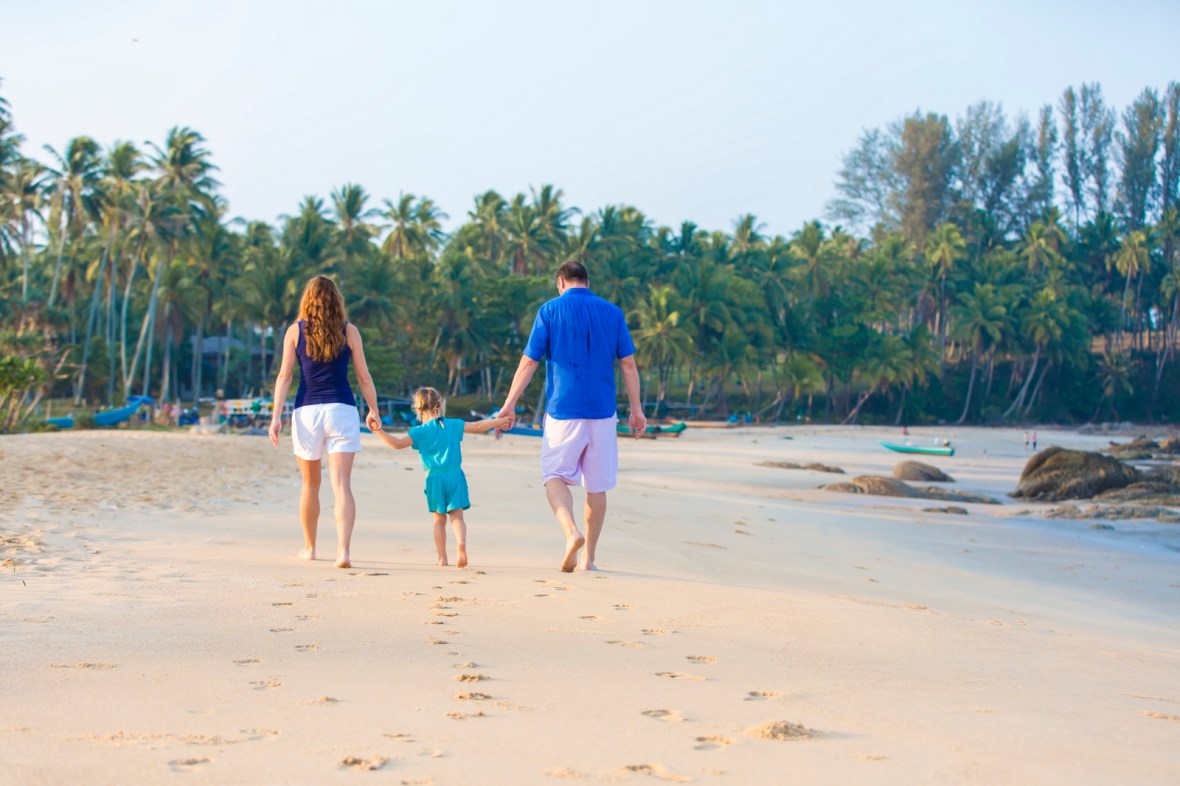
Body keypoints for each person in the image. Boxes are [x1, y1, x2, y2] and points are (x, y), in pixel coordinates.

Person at [496, 260, 646, 572]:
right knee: (596, 486)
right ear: (587, 282)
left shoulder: (549, 311)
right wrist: (636, 409)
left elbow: (529, 362)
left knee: (553, 476)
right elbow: (628, 365)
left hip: (563, 412)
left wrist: (509, 404)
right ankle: (589, 559)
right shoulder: (613, 312)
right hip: (603, 413)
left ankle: (571, 532)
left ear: (560, 283)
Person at [269, 275, 381, 569]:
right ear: (337, 300)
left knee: (310, 484)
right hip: (342, 409)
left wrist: (275, 416)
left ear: (307, 300)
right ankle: (343, 552)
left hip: (307, 411)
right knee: (342, 484)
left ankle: (310, 548)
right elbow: (364, 377)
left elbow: (284, 376)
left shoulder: (295, 331)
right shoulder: (349, 330)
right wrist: (373, 409)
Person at [372, 387, 510, 568]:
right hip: (455, 476)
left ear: (417, 409)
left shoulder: (419, 431)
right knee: (457, 517)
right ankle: (461, 546)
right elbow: (477, 426)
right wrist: (500, 421)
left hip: (434, 479)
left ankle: (442, 558)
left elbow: (397, 444)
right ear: (439, 405)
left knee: (439, 520)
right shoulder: (453, 424)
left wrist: (377, 431)